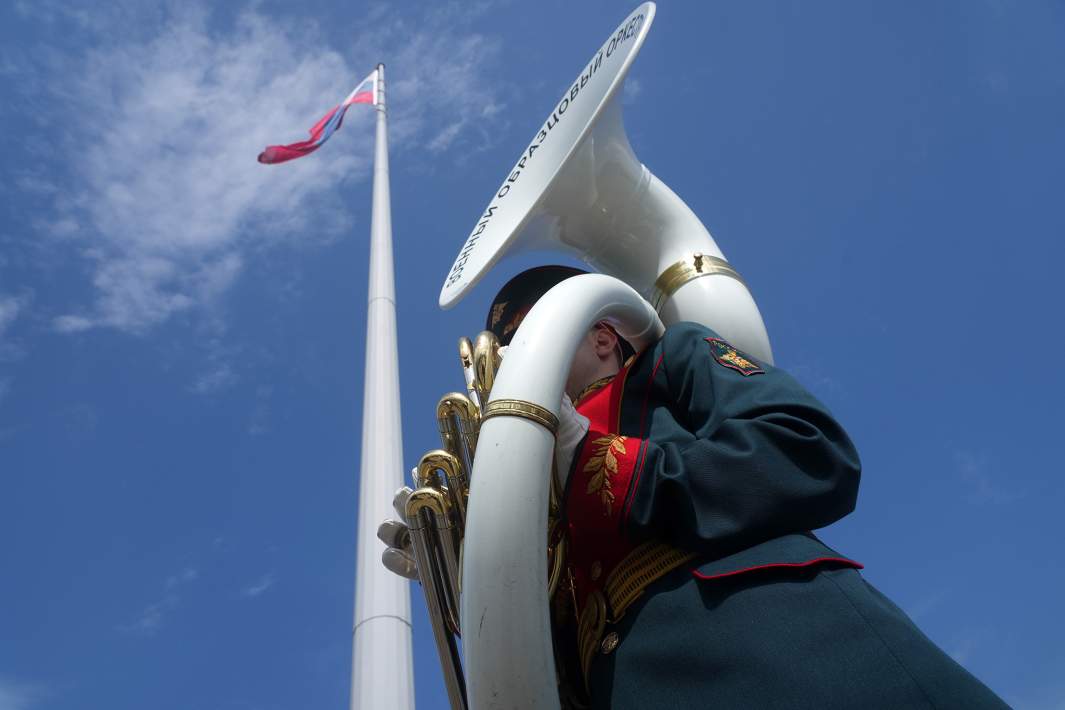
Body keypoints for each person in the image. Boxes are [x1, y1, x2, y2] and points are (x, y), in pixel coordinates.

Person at [384, 266, 1008, 709]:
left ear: (602, 335)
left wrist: (596, 457)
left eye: (523, 339)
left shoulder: (669, 358)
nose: (508, 361)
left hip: (780, 649)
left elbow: (811, 450)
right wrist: (467, 572)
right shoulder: (524, 467)